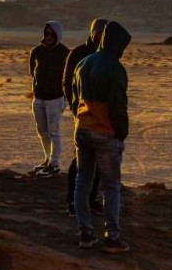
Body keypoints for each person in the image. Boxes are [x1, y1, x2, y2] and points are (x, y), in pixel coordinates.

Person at [71, 21, 132, 253]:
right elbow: (118, 107)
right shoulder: (115, 68)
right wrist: (121, 133)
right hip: (105, 133)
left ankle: (85, 233)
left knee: (82, 182)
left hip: (82, 129)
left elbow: (76, 98)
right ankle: (112, 236)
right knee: (111, 186)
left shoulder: (83, 63)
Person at [62, 18, 108, 216]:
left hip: (102, 115)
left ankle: (91, 199)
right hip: (82, 113)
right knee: (80, 157)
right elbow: (67, 83)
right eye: (100, 32)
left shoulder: (107, 54)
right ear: (93, 33)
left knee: (99, 156)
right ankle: (72, 202)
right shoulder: (79, 53)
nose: (102, 36)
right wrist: (75, 107)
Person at [28, 21, 69, 177]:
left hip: (55, 98)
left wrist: (64, 96)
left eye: (52, 34)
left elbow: (68, 76)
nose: (49, 37)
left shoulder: (65, 53)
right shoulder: (36, 51)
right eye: (46, 33)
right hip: (38, 98)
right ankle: (47, 159)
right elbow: (33, 72)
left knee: (54, 132)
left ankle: (55, 163)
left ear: (58, 34)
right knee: (42, 131)